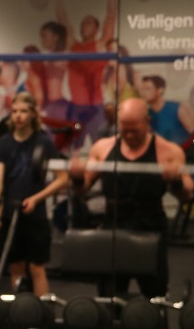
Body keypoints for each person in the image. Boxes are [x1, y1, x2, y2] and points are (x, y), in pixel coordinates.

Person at [69, 97, 193, 298]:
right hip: (114, 225)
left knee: (155, 294)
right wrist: (76, 178)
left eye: (134, 130)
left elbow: (187, 194)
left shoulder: (168, 151)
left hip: (151, 226)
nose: (128, 135)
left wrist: (176, 181)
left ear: (147, 122)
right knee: (110, 295)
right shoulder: (103, 148)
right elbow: (82, 190)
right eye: (124, 129)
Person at [0, 92, 69, 296]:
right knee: (16, 267)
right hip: (10, 212)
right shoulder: (4, 143)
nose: (18, 116)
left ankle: (43, 310)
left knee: (36, 268)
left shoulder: (43, 143)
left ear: (32, 114)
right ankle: (18, 310)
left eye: (23, 111)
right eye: (14, 111)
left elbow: (62, 178)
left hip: (36, 214)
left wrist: (36, 199)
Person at [55, 0, 117, 143]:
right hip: (76, 107)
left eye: (88, 23)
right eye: (83, 23)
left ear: (96, 28)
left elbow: (111, 15)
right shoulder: (73, 45)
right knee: (73, 149)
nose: (84, 26)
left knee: (102, 145)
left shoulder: (100, 45)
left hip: (96, 107)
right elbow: (63, 20)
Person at [139, 75, 194, 147]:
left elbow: (192, 133)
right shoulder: (147, 114)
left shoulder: (178, 109)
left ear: (160, 90)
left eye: (148, 89)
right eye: (142, 89)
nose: (143, 93)